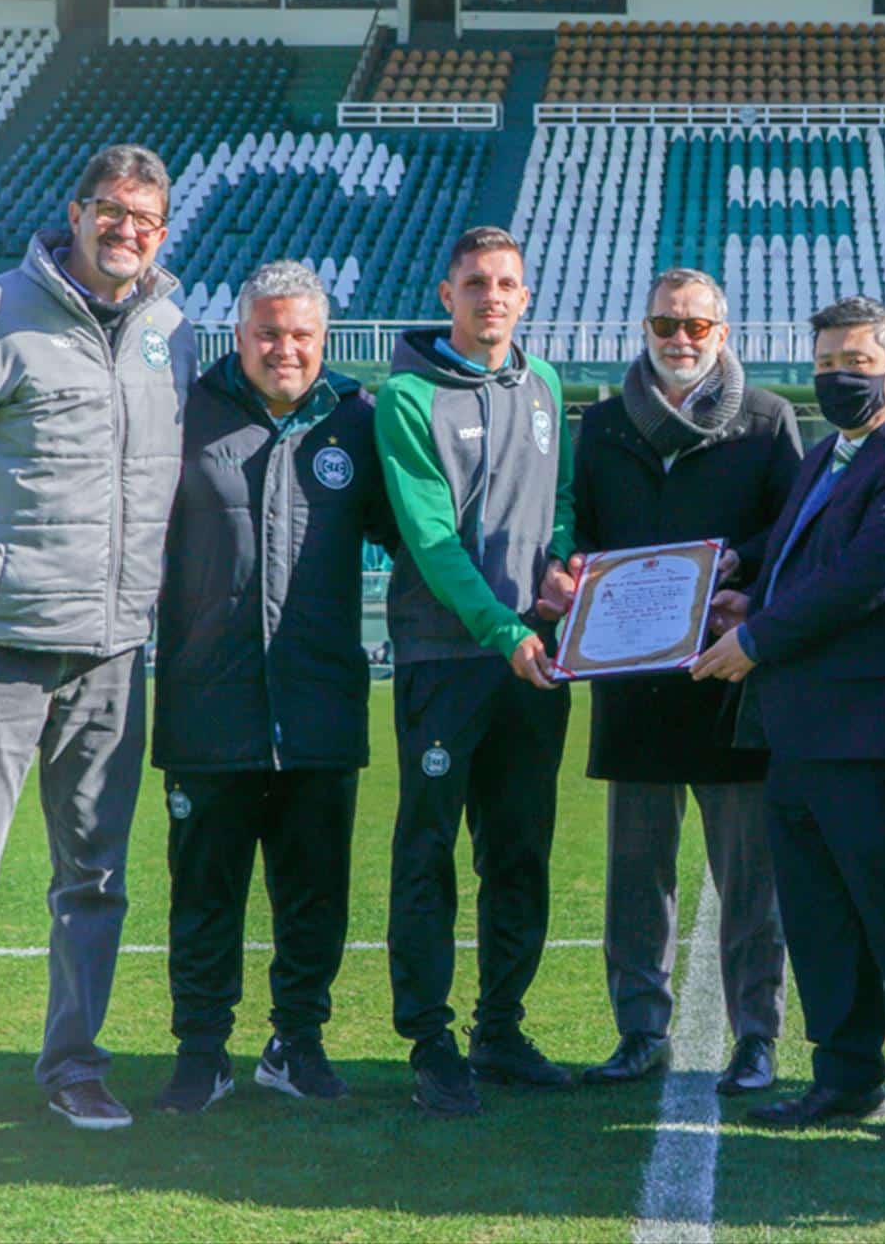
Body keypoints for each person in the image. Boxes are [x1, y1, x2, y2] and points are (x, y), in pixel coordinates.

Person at [0, 145, 195, 1148]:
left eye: (144, 217)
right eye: (110, 210)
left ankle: (74, 1067)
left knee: (94, 876)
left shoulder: (172, 330)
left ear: (163, 228)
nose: (126, 230)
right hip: (0, 641)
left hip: (112, 651)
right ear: (76, 210)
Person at [692, 295, 885, 1149]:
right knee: (817, 918)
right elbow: (795, 556)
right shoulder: (828, 457)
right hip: (797, 732)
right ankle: (846, 1077)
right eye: (825, 364)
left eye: (856, 361)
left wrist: (758, 634)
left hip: (873, 735)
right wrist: (750, 591)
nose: (839, 377)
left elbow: (865, 575)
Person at [150, 261, 396, 1114]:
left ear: (322, 339)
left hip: (320, 708)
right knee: (204, 894)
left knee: (314, 897)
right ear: (239, 333)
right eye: (268, 332)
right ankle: (201, 1050)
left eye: (300, 335)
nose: (284, 349)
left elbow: (420, 539)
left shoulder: (358, 421)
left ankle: (298, 1041)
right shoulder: (185, 412)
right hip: (206, 711)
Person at [573, 267, 800, 1092]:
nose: (679, 339)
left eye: (695, 326)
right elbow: (586, 537)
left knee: (750, 877)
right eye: (665, 324)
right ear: (645, 329)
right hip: (631, 681)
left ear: (723, 334)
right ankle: (640, 1030)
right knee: (637, 875)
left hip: (730, 681)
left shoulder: (771, 422)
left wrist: (749, 575)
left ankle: (755, 1035)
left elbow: (794, 532)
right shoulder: (600, 426)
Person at [375, 226, 580, 1116]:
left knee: (520, 849)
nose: (492, 296)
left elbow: (558, 507)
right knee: (427, 851)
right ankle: (429, 1042)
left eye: (506, 284)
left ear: (524, 297)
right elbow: (428, 538)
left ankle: (500, 1029)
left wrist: (564, 570)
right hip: (447, 658)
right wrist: (502, 626)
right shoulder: (406, 397)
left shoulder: (545, 385)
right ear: (447, 292)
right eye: (475, 283)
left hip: (532, 659)